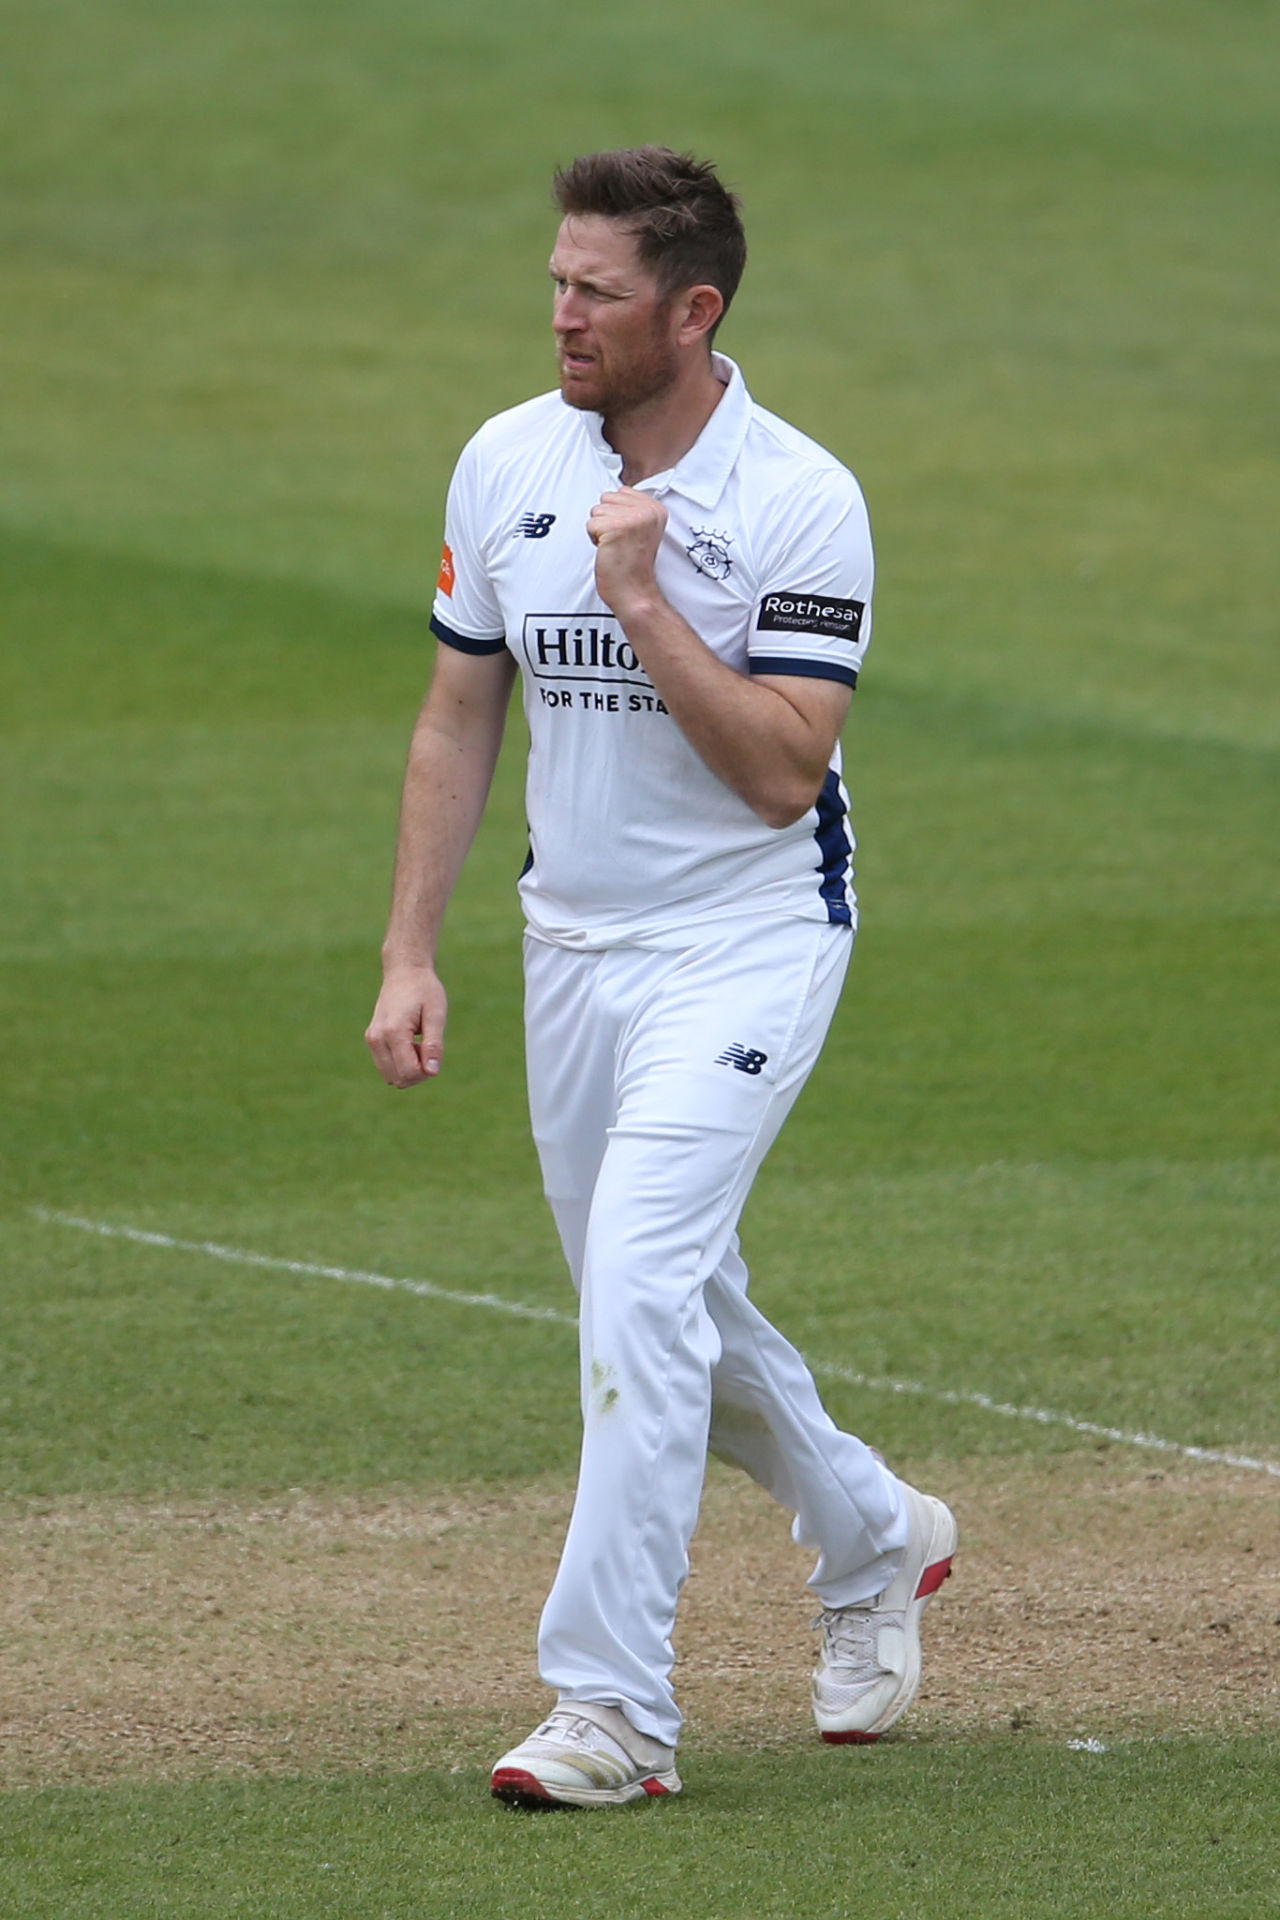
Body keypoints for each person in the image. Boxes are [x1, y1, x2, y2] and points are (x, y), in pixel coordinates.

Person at [365, 146, 955, 1810]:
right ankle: (876, 1535)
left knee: (637, 1291)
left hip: (751, 939)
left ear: (692, 313)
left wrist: (639, 597)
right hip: (574, 948)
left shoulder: (796, 494)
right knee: (665, 1304)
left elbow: (782, 772)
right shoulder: (505, 459)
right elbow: (458, 710)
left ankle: (613, 1709)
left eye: (596, 290)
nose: (561, 313)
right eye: (556, 281)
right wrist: (413, 949)